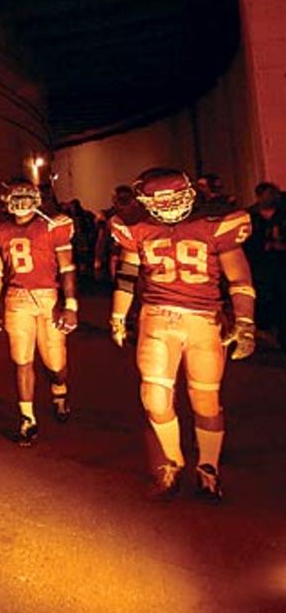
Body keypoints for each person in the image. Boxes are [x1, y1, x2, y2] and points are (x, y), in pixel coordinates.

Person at [110, 168, 255, 501]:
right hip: (157, 316)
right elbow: (127, 276)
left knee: (205, 400)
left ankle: (208, 469)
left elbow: (239, 279)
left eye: (175, 197)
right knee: (154, 397)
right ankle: (172, 461)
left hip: (204, 319)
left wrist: (245, 323)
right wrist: (119, 315)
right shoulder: (136, 226)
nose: (170, 207)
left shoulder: (215, 222)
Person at [0, 178, 78, 446]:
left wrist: (70, 304)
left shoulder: (52, 226)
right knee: (22, 360)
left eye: (26, 197)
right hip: (16, 297)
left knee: (55, 364)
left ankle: (59, 390)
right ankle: (27, 418)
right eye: (15, 197)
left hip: (48, 297)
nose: (21, 203)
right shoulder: (1, 229)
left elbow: (67, 268)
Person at [245, 181, 286, 348]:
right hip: (261, 267)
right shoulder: (251, 217)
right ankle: (268, 331)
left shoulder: (282, 215)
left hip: (282, 264)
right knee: (265, 299)